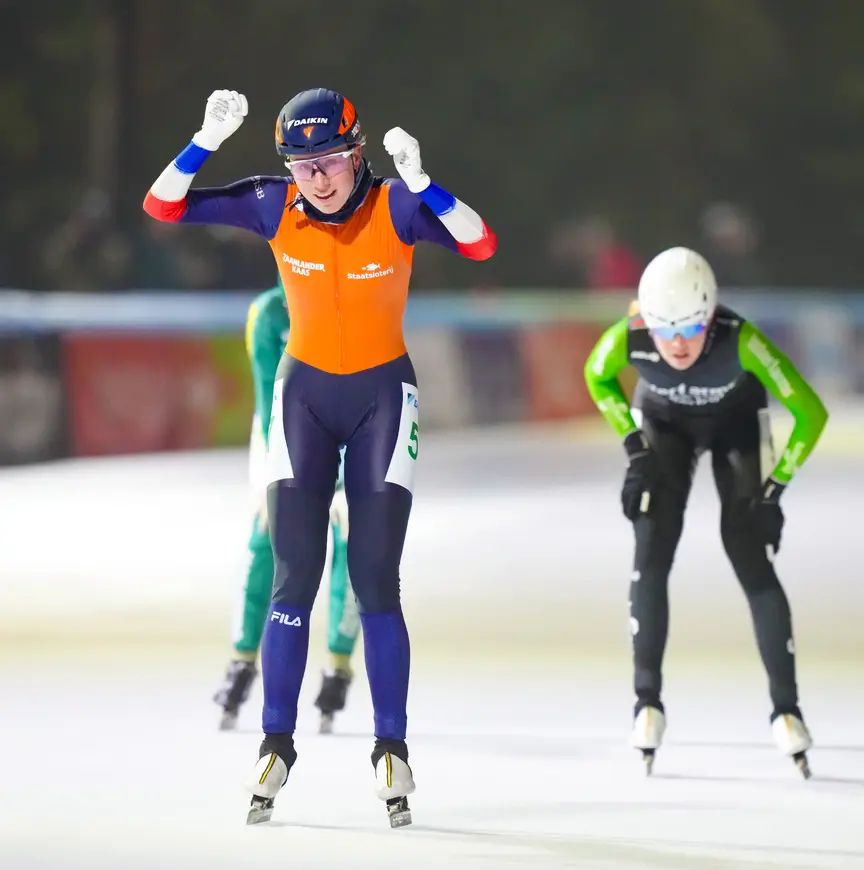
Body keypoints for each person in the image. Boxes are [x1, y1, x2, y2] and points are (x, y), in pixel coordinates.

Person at [143, 88, 496, 826]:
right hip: (301, 399)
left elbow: (480, 242)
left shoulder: (396, 206)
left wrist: (425, 182)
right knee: (292, 577)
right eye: (302, 165)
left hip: (382, 401)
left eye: (330, 160)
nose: (318, 178)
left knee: (374, 581)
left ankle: (391, 747)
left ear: (357, 153)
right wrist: (206, 139)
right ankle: (276, 742)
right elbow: (162, 207)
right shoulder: (273, 205)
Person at [584, 247, 828, 778]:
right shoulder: (630, 335)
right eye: (663, 328)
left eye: (691, 329)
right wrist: (635, 449)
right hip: (666, 428)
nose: (675, 342)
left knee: (748, 551)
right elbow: (596, 376)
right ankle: (647, 702)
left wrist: (773, 492)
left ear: (711, 316)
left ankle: (787, 711)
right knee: (652, 547)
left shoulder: (743, 340)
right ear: (644, 316)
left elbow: (811, 413)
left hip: (735, 428)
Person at [212, 278, 359, 735]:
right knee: (264, 537)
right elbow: (266, 404)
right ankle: (241, 660)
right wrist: (264, 480)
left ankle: (337, 664)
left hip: (348, 437)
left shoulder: (361, 304)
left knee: (354, 540)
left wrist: (350, 482)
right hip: (283, 438)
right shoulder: (268, 314)